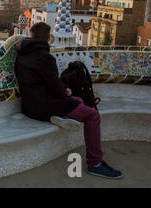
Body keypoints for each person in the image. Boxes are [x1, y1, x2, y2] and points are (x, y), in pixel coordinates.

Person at [14, 22, 123, 179]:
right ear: (49, 38)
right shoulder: (45, 58)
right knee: (92, 115)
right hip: (46, 106)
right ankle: (95, 163)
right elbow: (55, 89)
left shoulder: (22, 55)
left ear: (31, 35)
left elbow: (42, 83)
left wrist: (65, 92)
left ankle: (62, 117)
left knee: (77, 99)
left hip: (29, 107)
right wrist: (65, 90)